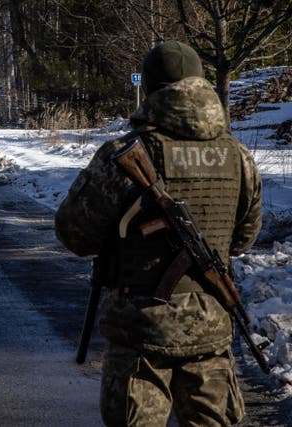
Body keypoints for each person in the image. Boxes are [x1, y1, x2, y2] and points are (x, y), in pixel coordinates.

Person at [55, 41, 262, 426]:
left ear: (149, 89)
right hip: (211, 326)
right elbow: (243, 238)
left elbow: (74, 234)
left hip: (140, 333)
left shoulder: (126, 152)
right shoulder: (237, 155)